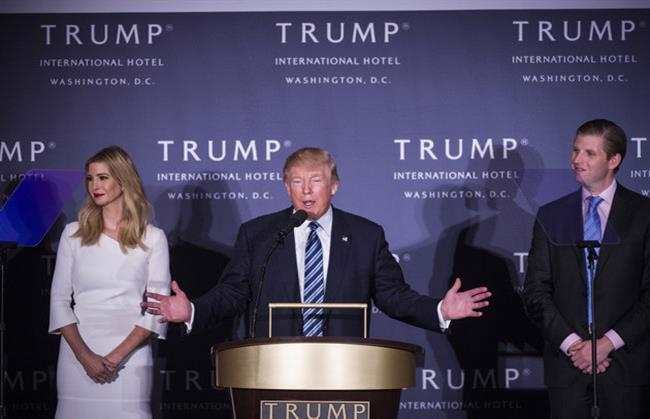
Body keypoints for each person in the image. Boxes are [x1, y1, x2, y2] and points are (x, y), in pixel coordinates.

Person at [145, 147, 490, 338]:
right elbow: (234, 292)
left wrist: (440, 310)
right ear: (286, 187)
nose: (306, 190)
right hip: (273, 363)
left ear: (334, 185)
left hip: (344, 366)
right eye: (297, 182)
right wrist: (193, 310)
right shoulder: (259, 234)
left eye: (316, 181)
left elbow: (391, 296)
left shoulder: (366, 235)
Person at [523, 119, 650, 419]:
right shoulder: (551, 215)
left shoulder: (644, 215)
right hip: (568, 368)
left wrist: (607, 343)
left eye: (589, 153)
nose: (577, 160)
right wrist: (574, 347)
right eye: (575, 150)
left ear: (613, 160)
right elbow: (535, 291)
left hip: (626, 367)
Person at [48, 146, 171, 419]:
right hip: (77, 355)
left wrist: (114, 358)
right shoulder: (73, 234)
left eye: (103, 177)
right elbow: (58, 301)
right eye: (90, 179)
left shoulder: (152, 237)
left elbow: (157, 309)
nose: (95, 185)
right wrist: (85, 357)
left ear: (123, 179)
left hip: (131, 357)